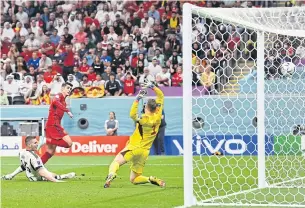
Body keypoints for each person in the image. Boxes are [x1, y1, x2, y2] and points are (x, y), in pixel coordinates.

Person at [104, 80, 165, 188]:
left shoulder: (143, 119)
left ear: (146, 108)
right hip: (145, 152)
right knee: (134, 179)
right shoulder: (158, 114)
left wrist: (138, 98)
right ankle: (150, 179)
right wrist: (153, 86)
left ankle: (111, 174)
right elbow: (161, 95)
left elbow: (132, 114)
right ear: (156, 108)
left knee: (116, 162)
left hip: (134, 147)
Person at [1, 136, 75, 182]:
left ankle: (62, 176)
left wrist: (11, 175)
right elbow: (42, 173)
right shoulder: (35, 157)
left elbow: (23, 166)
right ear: (30, 145)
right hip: (37, 178)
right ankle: (62, 176)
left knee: (46, 170)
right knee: (51, 174)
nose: (38, 144)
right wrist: (55, 181)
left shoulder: (21, 152)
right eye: (35, 143)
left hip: (30, 176)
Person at [37, 82, 74, 165]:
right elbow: (55, 101)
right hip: (53, 124)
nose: (69, 90)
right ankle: (45, 140)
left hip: (52, 125)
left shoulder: (64, 102)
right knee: (69, 143)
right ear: (62, 89)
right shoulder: (59, 95)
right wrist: (67, 111)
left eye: (70, 89)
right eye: (68, 88)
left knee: (51, 151)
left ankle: (37, 166)